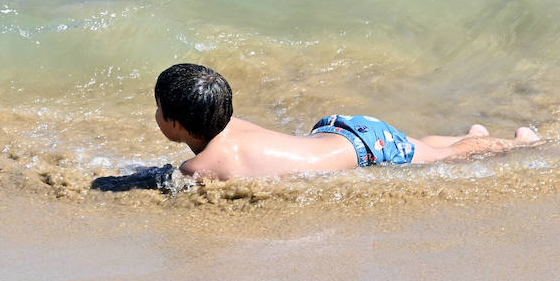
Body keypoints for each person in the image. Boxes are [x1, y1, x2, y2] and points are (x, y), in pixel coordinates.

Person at [153, 63, 539, 181]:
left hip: (364, 149)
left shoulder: (198, 167)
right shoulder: (232, 125)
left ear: (175, 123)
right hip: (344, 132)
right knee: (420, 147)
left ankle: (519, 143)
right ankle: (471, 135)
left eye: (158, 109)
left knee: (441, 158)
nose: (155, 114)